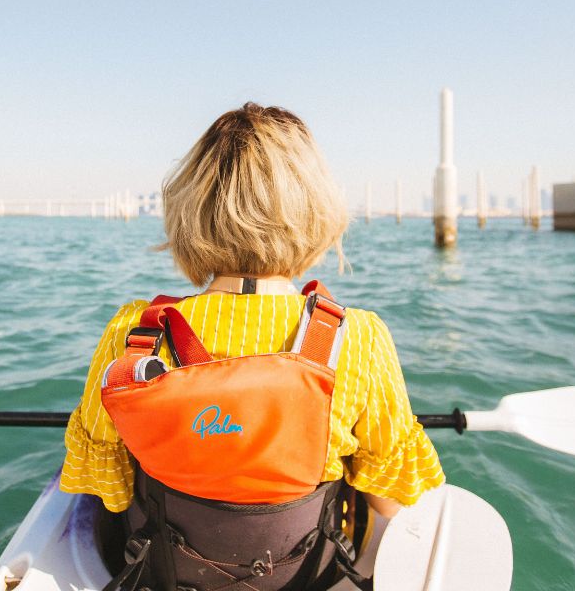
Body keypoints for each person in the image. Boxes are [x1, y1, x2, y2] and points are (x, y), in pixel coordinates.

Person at [61, 103, 444, 591]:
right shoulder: (359, 338)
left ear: (191, 211)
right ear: (314, 210)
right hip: (308, 576)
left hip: (163, 572)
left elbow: (108, 490)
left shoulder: (134, 332)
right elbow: (393, 497)